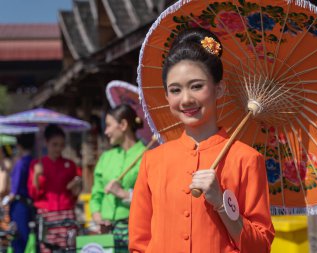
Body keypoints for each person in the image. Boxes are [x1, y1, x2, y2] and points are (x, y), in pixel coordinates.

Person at [129, 28, 275, 253]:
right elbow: (139, 245)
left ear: (219, 89)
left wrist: (221, 203)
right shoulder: (152, 162)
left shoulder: (246, 159)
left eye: (196, 86)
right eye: (175, 90)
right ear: (167, 97)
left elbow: (260, 247)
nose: (186, 99)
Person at [90, 104, 145, 252]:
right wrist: (97, 217)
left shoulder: (148, 156)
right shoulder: (105, 158)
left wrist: (123, 194)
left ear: (123, 125)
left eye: (108, 126)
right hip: (106, 235)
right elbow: (96, 194)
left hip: (135, 233)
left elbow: (153, 198)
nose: (106, 132)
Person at [27, 124, 82, 253]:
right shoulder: (37, 165)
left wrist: (76, 185)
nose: (58, 148)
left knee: (69, 248)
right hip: (46, 214)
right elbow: (33, 193)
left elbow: (75, 193)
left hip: (66, 212)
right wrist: (36, 174)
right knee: (47, 249)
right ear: (46, 143)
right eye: (54, 144)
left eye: (61, 145)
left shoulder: (70, 165)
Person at [8, 134, 35, 253]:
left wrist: (4, 202)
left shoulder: (21, 163)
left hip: (19, 206)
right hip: (30, 204)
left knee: (18, 240)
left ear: (19, 146)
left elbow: (14, 191)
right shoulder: (34, 161)